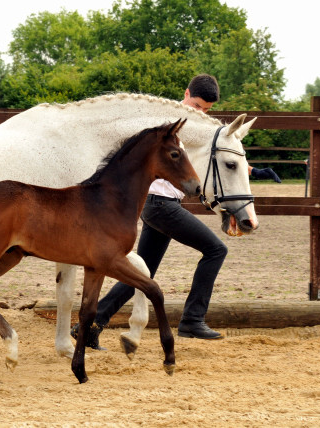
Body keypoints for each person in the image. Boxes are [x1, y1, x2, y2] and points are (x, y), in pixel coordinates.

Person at [71, 74, 281, 347]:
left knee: (141, 273)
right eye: (196, 105)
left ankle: (90, 326)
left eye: (205, 110)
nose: (199, 113)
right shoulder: (169, 125)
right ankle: (192, 320)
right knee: (216, 250)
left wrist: (252, 171)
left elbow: (214, 159)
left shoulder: (193, 130)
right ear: (185, 94)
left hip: (162, 204)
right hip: (159, 204)